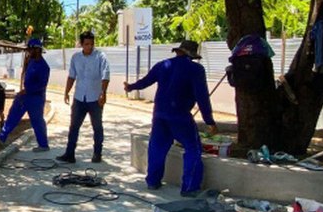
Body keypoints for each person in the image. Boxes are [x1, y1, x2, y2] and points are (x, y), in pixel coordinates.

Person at [125, 40, 218, 196]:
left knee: (157, 147)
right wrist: (209, 121)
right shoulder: (196, 69)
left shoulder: (162, 65)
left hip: (160, 115)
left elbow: (145, 82)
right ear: (192, 55)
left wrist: (130, 87)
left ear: (178, 51)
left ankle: (153, 182)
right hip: (181, 116)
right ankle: (189, 188)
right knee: (193, 148)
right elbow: (202, 97)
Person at [57, 31, 111, 163]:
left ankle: (97, 154)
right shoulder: (76, 58)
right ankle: (69, 154)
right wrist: (66, 92)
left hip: (95, 99)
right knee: (74, 126)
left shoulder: (100, 57)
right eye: (86, 44)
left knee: (97, 127)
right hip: (79, 98)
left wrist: (103, 93)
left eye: (92, 44)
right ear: (81, 44)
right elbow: (71, 76)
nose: (90, 46)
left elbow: (105, 75)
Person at [0, 37, 50, 151]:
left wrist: (28, 90)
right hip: (24, 96)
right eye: (28, 50)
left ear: (37, 50)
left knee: (37, 121)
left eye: (30, 50)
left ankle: (43, 145)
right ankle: (2, 136)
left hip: (36, 98)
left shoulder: (44, 67)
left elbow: (42, 85)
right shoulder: (30, 61)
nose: (29, 52)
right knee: (13, 115)